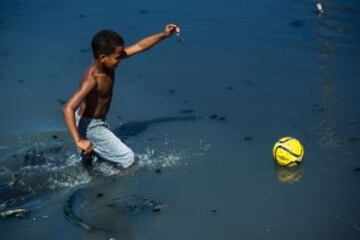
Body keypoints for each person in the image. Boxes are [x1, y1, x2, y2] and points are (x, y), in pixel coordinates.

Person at [63, 24, 180, 170]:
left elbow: (140, 46)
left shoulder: (108, 64)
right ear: (103, 58)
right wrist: (78, 140)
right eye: (117, 58)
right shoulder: (92, 78)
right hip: (91, 126)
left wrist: (163, 35)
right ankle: (110, 188)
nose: (120, 60)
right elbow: (68, 108)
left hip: (89, 121)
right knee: (129, 160)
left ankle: (88, 163)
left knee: (96, 160)